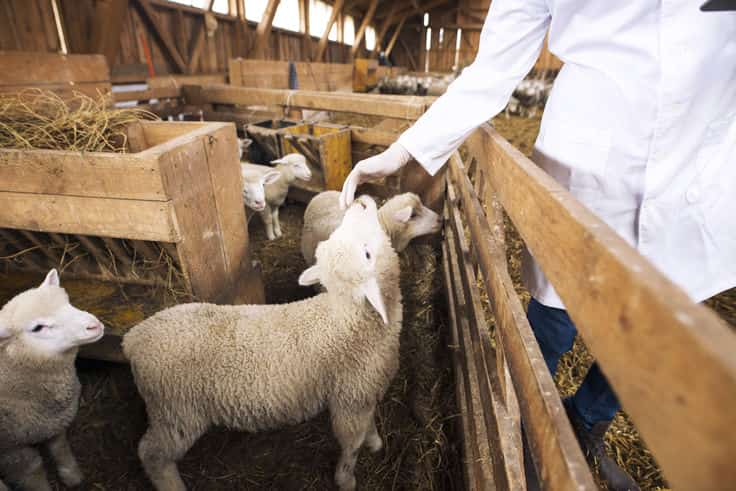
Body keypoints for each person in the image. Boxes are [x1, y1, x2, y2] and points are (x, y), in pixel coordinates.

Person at [339, 1, 736, 489]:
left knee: (656, 336)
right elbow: (495, 67)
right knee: (555, 317)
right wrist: (404, 149)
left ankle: (587, 424)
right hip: (591, 167)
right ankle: (526, 432)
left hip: (703, 161)